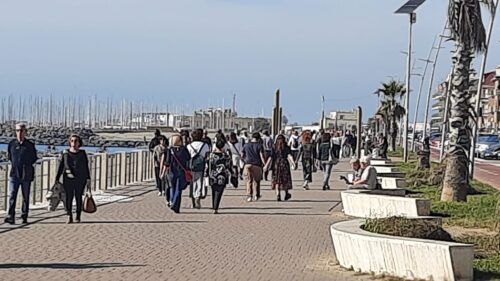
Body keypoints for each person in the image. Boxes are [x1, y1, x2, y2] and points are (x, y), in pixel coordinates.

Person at [4, 123, 38, 225]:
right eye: (18, 130)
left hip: (26, 174)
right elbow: (10, 157)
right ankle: (11, 216)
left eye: (22, 130)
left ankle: (24, 215)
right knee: (12, 195)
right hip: (14, 173)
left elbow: (34, 158)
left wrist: (26, 166)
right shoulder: (12, 144)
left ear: (25, 132)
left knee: (25, 196)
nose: (19, 133)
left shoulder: (30, 145)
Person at [55, 135, 91, 224]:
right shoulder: (65, 153)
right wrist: (57, 178)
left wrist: (88, 179)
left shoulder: (82, 153)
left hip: (80, 179)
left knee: (78, 197)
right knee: (68, 197)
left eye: (76, 141)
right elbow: (61, 166)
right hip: (68, 178)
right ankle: (69, 215)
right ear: (69, 142)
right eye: (72, 141)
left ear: (79, 143)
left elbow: (86, 167)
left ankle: (78, 215)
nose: (73, 143)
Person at [161, 134, 191, 213]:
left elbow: (167, 163)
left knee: (172, 187)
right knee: (179, 189)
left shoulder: (169, 150)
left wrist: (163, 173)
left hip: (171, 171)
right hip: (181, 172)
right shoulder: (184, 149)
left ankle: (172, 202)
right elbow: (188, 158)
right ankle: (176, 205)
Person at [206, 139, 234, 214]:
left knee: (213, 190)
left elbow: (208, 165)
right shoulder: (226, 156)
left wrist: (206, 173)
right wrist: (232, 173)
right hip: (222, 176)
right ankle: (215, 207)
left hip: (212, 175)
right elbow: (229, 166)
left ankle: (214, 206)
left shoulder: (211, 155)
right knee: (219, 191)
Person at [264, 135, 295, 201]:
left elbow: (271, 157)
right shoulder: (286, 147)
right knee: (285, 180)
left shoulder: (274, 147)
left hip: (276, 164)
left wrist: (266, 165)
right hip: (284, 164)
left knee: (277, 180)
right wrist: (293, 163)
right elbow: (289, 155)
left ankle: (278, 195)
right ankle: (286, 193)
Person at [186, 129, 210, 209]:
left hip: (191, 166)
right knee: (199, 182)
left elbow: (187, 157)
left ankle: (193, 201)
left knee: (192, 182)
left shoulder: (189, 146)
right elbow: (207, 156)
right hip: (201, 165)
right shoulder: (205, 145)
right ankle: (198, 197)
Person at [241, 132, 266, 202]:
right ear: (258, 139)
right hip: (257, 165)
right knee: (257, 181)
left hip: (247, 164)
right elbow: (262, 156)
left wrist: (244, 161)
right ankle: (257, 195)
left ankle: (249, 196)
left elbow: (242, 155)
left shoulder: (246, 145)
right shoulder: (259, 145)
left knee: (249, 181)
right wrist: (265, 164)